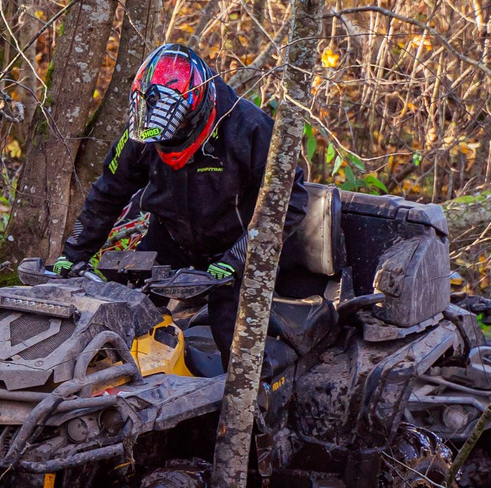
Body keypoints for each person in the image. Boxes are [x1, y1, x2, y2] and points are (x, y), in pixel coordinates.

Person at [51, 42, 306, 373]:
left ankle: (251, 414)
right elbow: (107, 193)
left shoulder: (251, 128)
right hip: (170, 237)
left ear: (197, 111)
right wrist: (74, 252)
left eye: (177, 132)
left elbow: (290, 202)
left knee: (235, 331)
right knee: (115, 301)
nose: (166, 144)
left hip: (238, 243)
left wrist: (239, 257)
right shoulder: (142, 133)